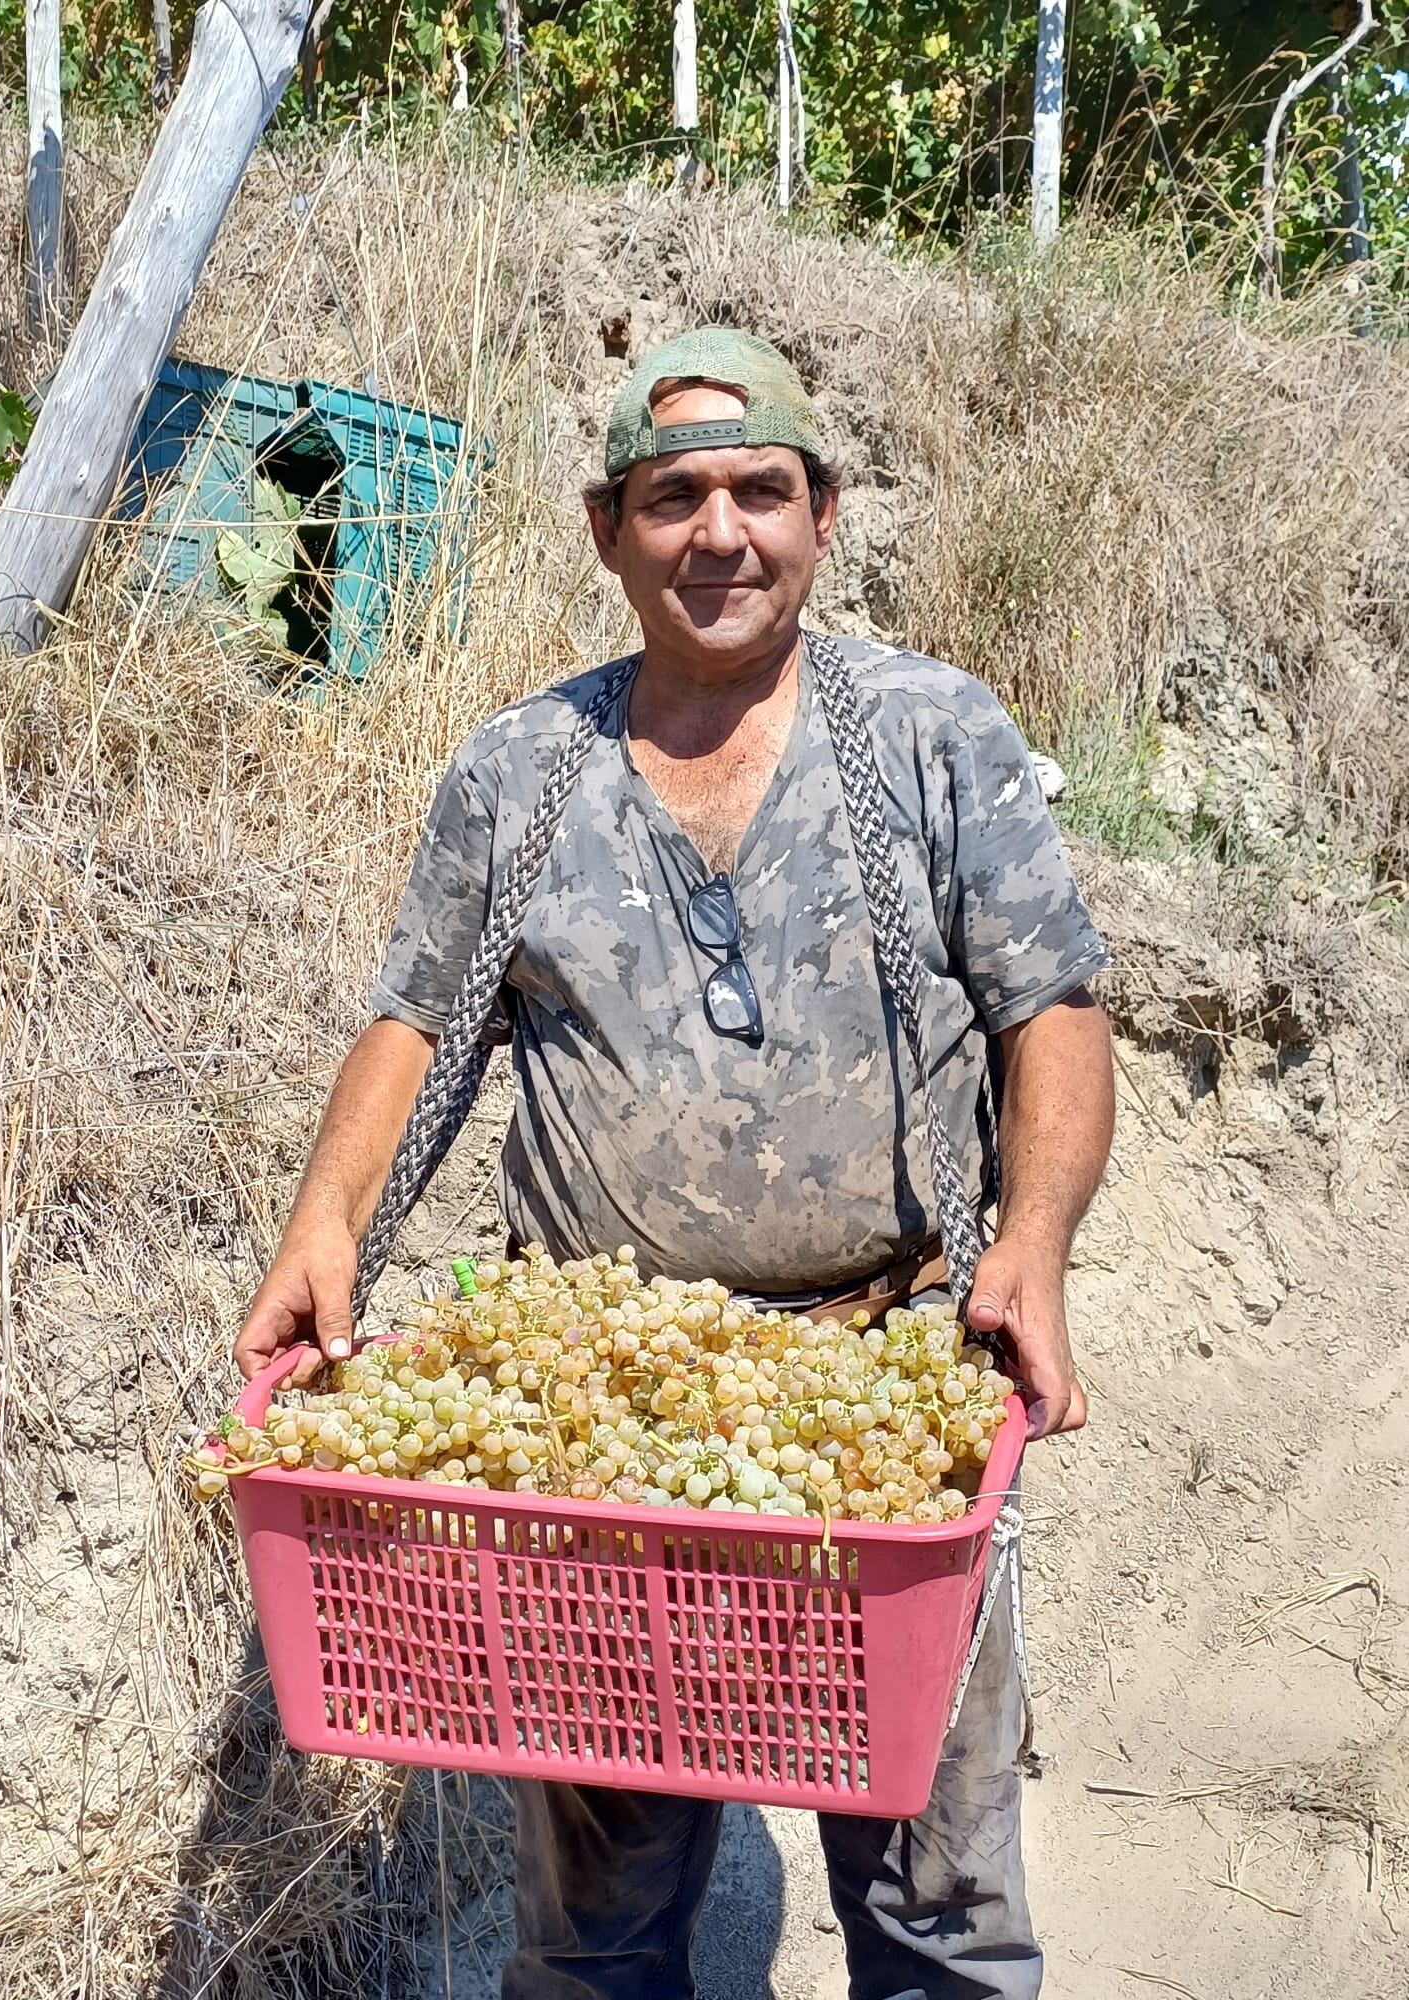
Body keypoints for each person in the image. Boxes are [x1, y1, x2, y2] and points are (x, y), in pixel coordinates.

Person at [236, 327, 1116, 2000]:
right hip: (604, 1427)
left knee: (941, 1911)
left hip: (886, 1399)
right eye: (675, 497)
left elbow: (1050, 1009)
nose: (722, 532)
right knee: (595, 1925)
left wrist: (1039, 1241)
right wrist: (326, 1221)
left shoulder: (932, 737)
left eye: (761, 491)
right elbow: (420, 1021)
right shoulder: (525, 768)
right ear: (607, 529)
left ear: (824, 513)